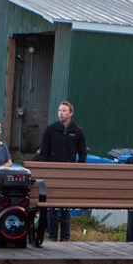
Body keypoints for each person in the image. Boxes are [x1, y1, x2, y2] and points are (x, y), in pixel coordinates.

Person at [34, 100, 86, 241]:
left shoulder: (77, 131)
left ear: (71, 113)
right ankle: (52, 236)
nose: (61, 113)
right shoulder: (51, 129)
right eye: (59, 110)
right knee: (52, 206)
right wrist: (45, 170)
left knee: (65, 207)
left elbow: (82, 153)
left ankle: (65, 237)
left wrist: (79, 170)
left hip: (69, 173)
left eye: (64, 111)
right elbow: (44, 152)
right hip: (52, 172)